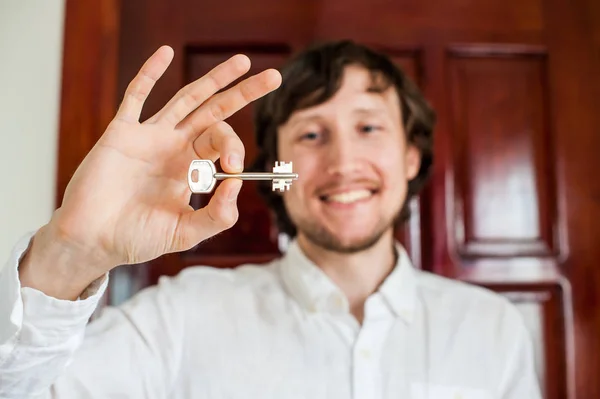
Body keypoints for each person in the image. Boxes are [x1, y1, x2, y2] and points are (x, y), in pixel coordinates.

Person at [0, 41, 541, 398]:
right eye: (311, 134)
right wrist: (71, 252)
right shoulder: (183, 316)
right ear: (277, 170)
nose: (342, 163)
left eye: (369, 128)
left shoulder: (493, 330)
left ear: (410, 157)